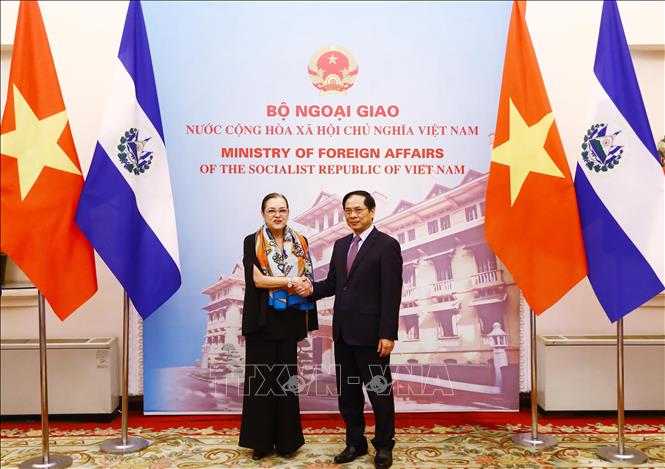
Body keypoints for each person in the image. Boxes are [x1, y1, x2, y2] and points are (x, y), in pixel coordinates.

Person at [304, 190, 402, 469]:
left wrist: (387, 333)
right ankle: (355, 442)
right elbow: (334, 284)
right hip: (343, 334)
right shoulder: (340, 245)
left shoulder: (386, 245)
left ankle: (383, 445)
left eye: (358, 209)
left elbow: (391, 293)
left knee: (379, 393)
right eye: (348, 210)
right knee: (348, 395)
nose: (352, 215)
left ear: (372, 212)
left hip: (373, 337)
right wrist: (309, 288)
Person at [238, 192, 318, 460]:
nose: (277, 215)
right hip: (262, 320)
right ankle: (260, 442)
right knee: (261, 382)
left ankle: (287, 442)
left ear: (288, 212)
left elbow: (307, 277)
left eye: (282, 210)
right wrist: (290, 281)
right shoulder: (253, 241)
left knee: (285, 383)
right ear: (263, 214)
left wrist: (303, 283)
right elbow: (258, 281)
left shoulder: (301, 241)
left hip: (290, 319)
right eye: (271, 210)